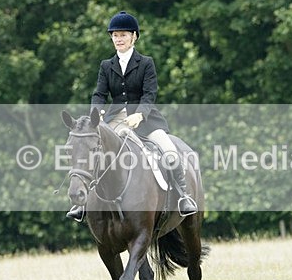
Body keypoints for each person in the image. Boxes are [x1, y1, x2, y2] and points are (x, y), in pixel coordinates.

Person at [66, 11, 197, 220]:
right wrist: (96, 112)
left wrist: (140, 116)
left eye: (123, 35)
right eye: (115, 35)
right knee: (93, 153)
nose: (118, 39)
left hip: (145, 119)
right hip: (115, 119)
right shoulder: (106, 65)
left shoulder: (146, 63)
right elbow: (99, 94)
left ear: (134, 36)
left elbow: (150, 94)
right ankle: (83, 204)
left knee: (170, 151)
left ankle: (183, 196)